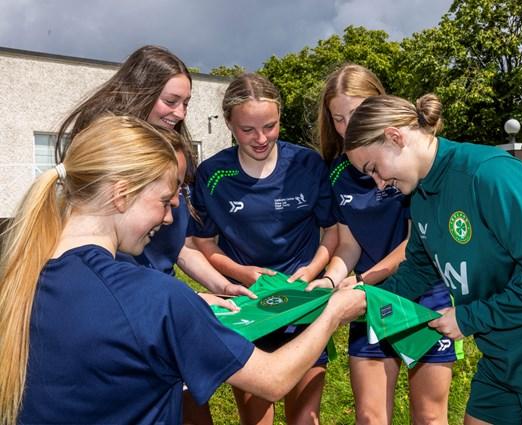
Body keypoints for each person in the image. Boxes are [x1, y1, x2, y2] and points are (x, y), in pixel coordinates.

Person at [0, 115, 366, 425]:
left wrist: (192, 302)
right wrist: (334, 312)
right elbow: (271, 380)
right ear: (121, 194)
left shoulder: (18, 280)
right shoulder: (153, 298)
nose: (169, 216)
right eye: (163, 201)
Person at [344, 93, 522, 425]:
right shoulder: (422, 197)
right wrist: (358, 301)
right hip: (500, 360)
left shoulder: (490, 175)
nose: (380, 184)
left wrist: (467, 318)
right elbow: (419, 271)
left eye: (375, 169)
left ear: (395, 137)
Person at [53, 45, 253, 423]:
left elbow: (176, 243)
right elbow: (271, 379)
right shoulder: (111, 157)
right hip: (127, 314)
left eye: (186, 103)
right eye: (171, 101)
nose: (179, 113)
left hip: (162, 304)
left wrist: (220, 286)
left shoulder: (172, 153)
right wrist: (181, 303)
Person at [307, 64, 457, 425]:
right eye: (338, 119)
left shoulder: (412, 164)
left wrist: (362, 282)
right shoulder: (338, 171)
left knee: (430, 417)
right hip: (369, 301)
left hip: (423, 296)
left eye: (357, 114)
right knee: (371, 418)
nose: (347, 129)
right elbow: (348, 244)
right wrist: (330, 282)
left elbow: (414, 245)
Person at [191, 73, 338, 425]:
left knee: (305, 419)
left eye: (270, 126)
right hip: (248, 308)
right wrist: (241, 274)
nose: (261, 139)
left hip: (302, 304)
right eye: (247, 130)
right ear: (228, 123)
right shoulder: (212, 175)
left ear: (280, 118)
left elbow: (331, 232)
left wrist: (313, 270)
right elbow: (204, 245)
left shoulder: (307, 164)